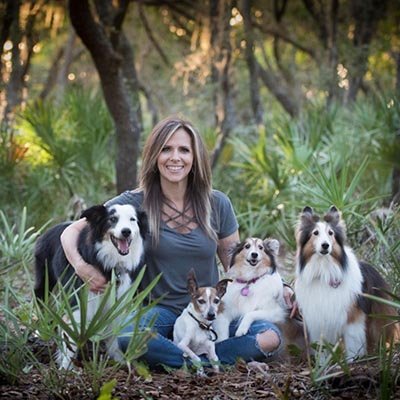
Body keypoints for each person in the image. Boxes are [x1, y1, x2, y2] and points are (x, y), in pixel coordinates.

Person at [60, 115, 290, 369]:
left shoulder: (217, 203)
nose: (175, 157)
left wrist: (283, 287)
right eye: (166, 149)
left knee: (269, 337)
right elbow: (70, 232)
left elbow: (238, 266)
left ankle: (191, 360)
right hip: (161, 313)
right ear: (154, 156)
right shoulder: (135, 202)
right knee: (127, 337)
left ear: (195, 158)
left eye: (184, 150)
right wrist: (82, 268)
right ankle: (207, 362)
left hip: (211, 312)